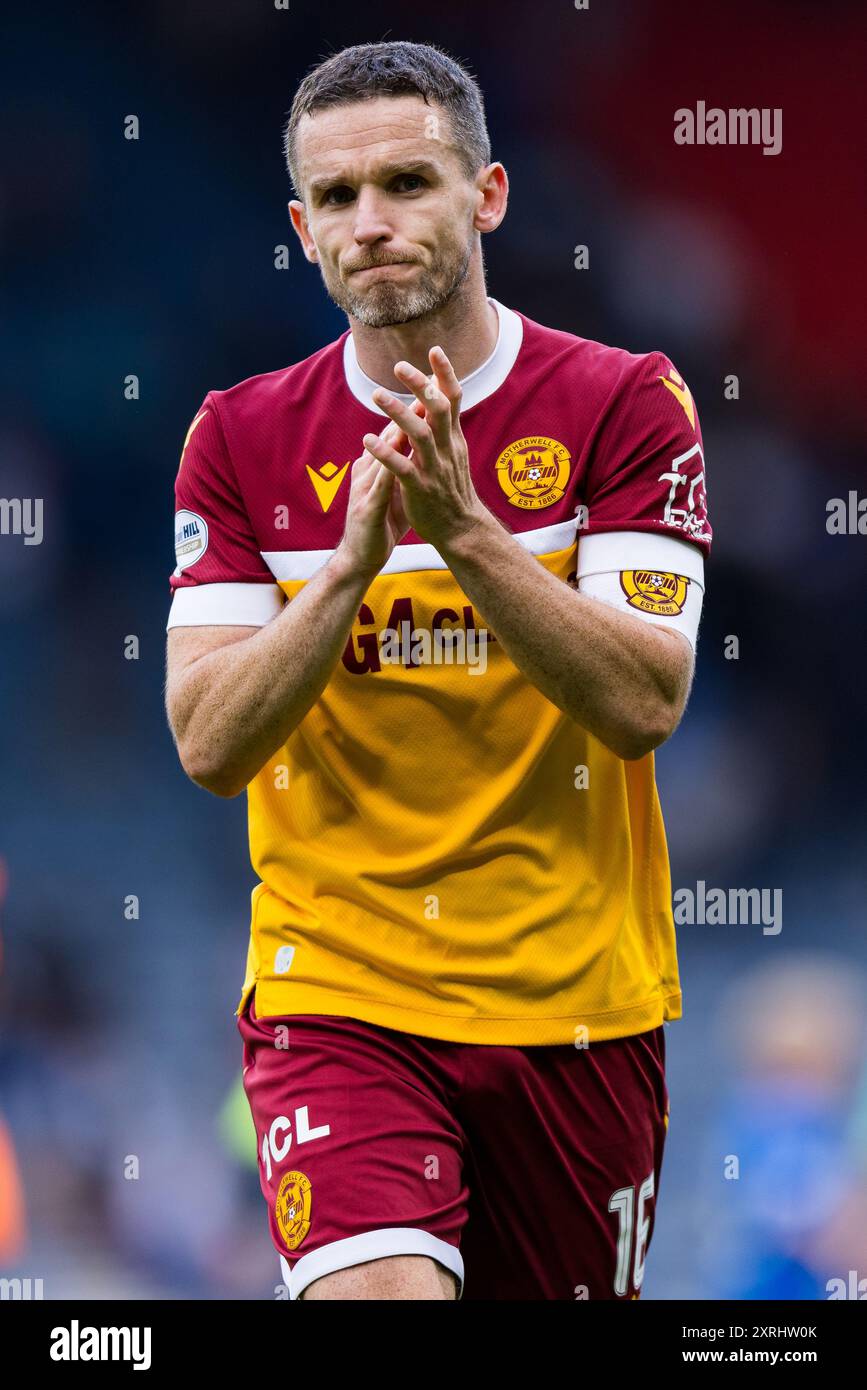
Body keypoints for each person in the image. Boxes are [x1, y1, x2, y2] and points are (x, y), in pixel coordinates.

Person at [164, 39, 711, 1300]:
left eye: (407, 183)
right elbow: (207, 743)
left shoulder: (625, 404)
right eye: (338, 200)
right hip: (338, 989)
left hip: (574, 1003)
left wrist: (463, 534)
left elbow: (644, 703)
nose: (372, 223)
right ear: (302, 228)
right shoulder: (240, 437)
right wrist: (348, 569)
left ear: (489, 195)